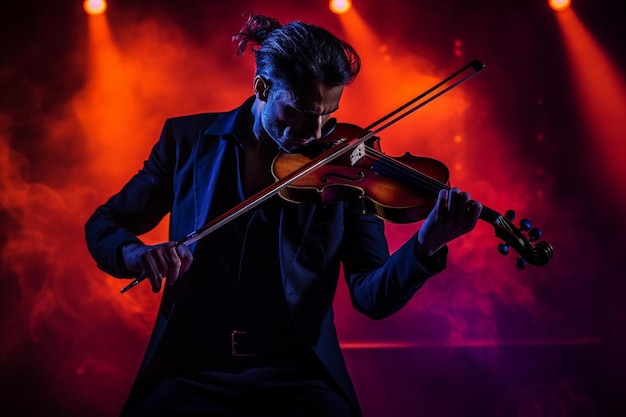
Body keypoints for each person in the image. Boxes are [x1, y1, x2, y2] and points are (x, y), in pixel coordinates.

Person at [85, 13, 482, 417]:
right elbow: (105, 223)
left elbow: (370, 296)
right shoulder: (187, 142)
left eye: (330, 113)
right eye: (302, 112)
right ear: (262, 87)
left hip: (298, 376)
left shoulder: (346, 169)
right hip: (192, 371)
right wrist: (134, 254)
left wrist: (425, 245)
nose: (318, 131)